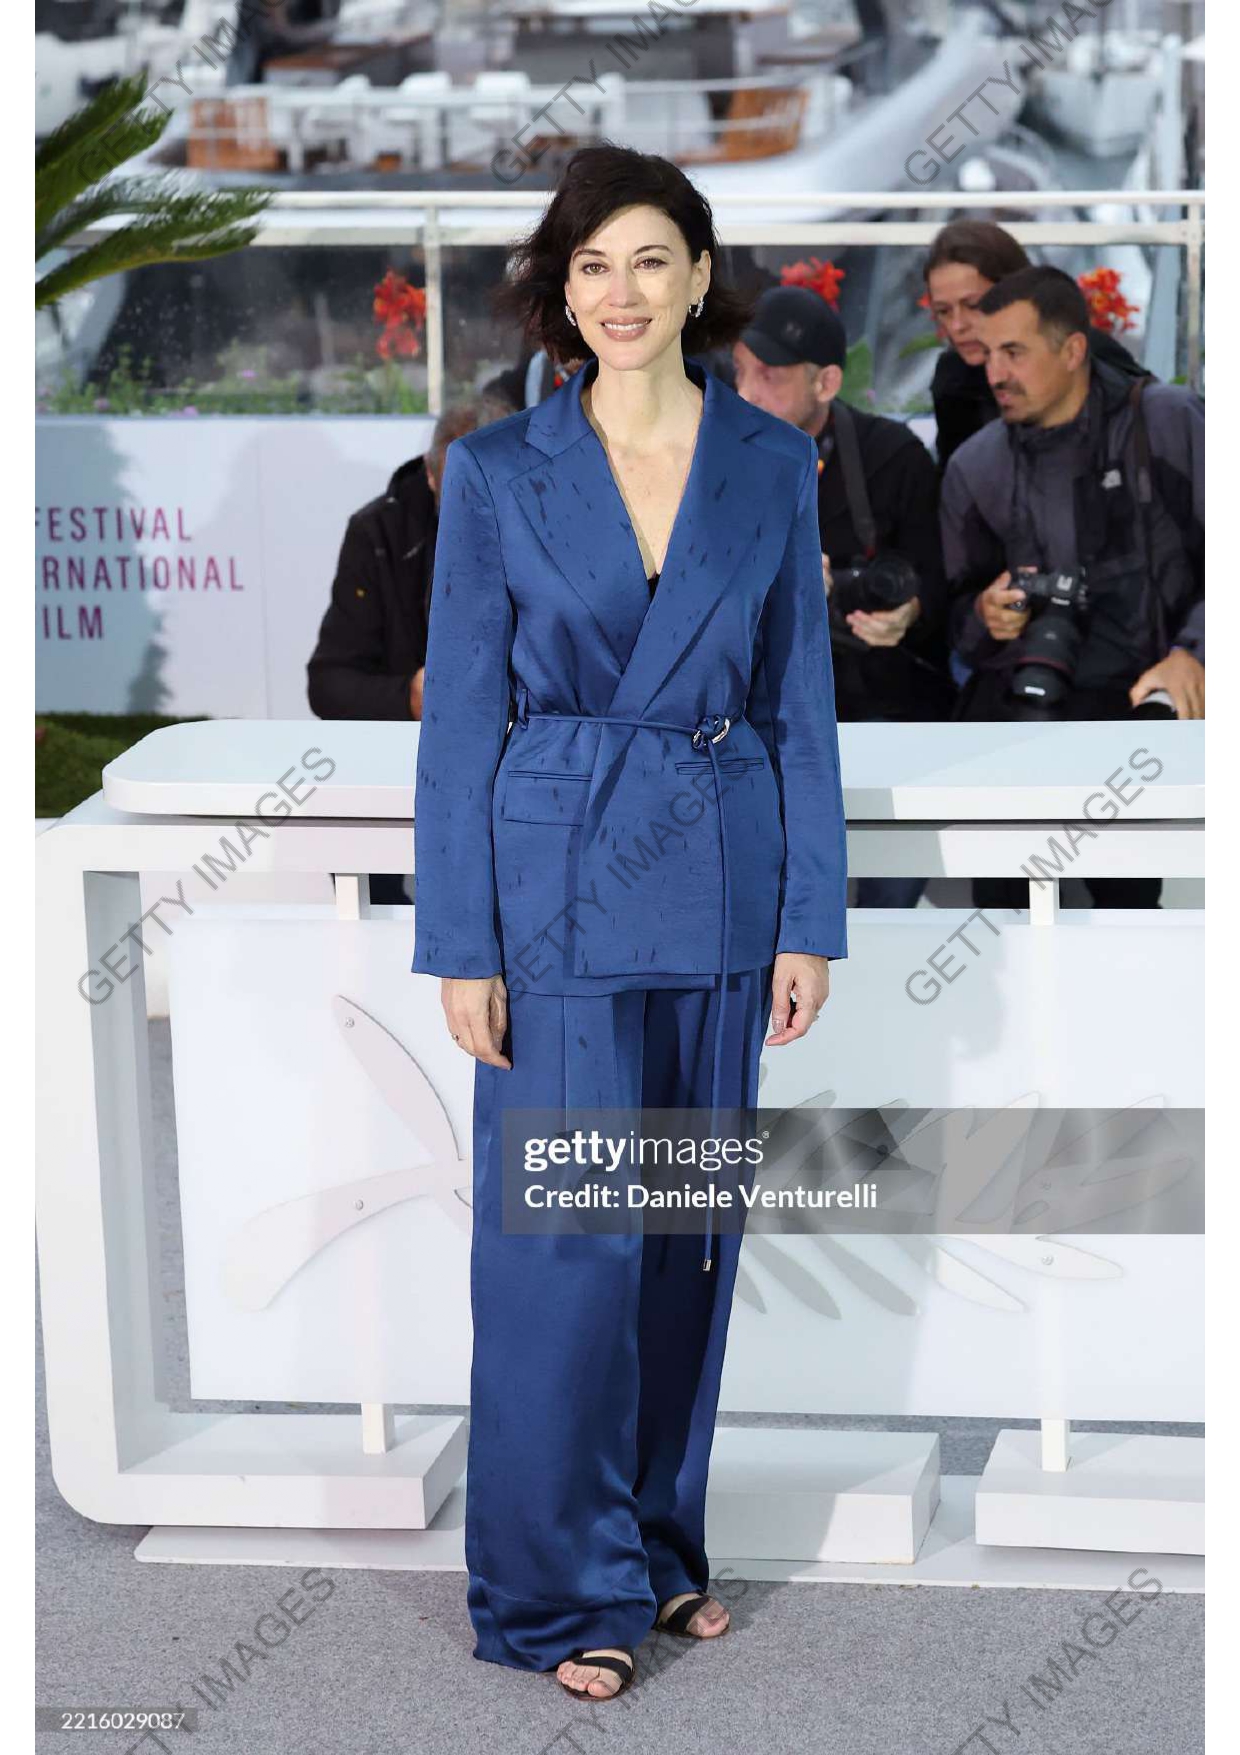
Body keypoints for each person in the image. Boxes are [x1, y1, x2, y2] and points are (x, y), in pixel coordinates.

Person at [410, 143, 848, 1699]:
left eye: (651, 259)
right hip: (556, 896)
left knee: (682, 1241)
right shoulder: (498, 472)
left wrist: (809, 918)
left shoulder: (769, 464)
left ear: (700, 276)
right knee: (564, 1246)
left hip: (723, 877)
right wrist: (462, 940)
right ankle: (556, 1589)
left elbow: (799, 702)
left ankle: (654, 1545)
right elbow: (462, 720)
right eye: (593, 265)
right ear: (563, 288)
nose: (622, 291)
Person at [940, 264, 1204, 911]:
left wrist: (1195, 653)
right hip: (1023, 723)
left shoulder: (1167, 421)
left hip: (1145, 718)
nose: (995, 373)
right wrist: (983, 615)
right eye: (989, 354)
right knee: (1001, 924)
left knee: (1133, 922)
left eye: (1014, 352)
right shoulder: (976, 465)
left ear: (1073, 349)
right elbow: (952, 619)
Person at [732, 284, 954, 908]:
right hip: (756, 712)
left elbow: (938, 582)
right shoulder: (711, 458)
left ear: (827, 382)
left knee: (889, 896)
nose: (746, 394)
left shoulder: (892, 457)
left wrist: (907, 612)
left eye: (770, 376)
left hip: (876, 702)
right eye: (739, 372)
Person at [307, 400, 502, 904]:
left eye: (493, 494)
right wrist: (409, 696)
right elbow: (329, 684)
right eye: (460, 493)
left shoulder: (553, 524)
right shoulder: (378, 533)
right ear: (431, 476)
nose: (476, 511)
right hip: (402, 761)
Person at [923, 219, 1149, 473]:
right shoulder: (953, 377)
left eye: (973, 305)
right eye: (943, 311)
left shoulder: (1086, 352)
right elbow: (955, 483)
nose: (957, 325)